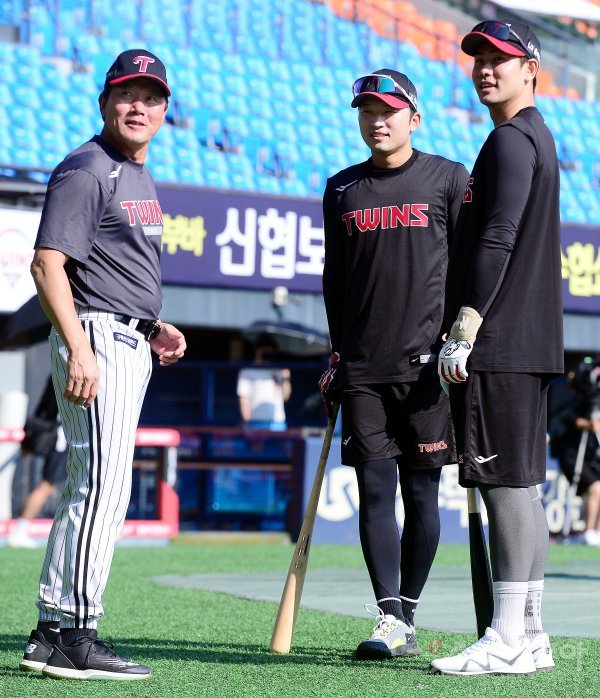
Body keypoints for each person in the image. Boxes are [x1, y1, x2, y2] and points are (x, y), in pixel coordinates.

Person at [19, 49, 186, 681]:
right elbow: (47, 265)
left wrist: (152, 325)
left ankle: (49, 635)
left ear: (165, 110)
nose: (138, 106)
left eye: (151, 97)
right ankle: (75, 633)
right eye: (126, 94)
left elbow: (113, 269)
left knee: (89, 486)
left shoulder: (136, 174)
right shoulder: (88, 168)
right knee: (102, 488)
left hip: (123, 335)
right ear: (104, 102)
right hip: (96, 337)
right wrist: (81, 346)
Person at [320, 69, 469, 659]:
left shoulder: (448, 178)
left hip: (428, 368)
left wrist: (461, 337)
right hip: (362, 367)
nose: (377, 121)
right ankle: (390, 617)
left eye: (388, 110)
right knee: (375, 491)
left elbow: (470, 266)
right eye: (367, 111)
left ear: (414, 118)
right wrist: (337, 351)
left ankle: (408, 608)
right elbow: (334, 278)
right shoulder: (341, 188)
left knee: (422, 495)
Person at [433, 21, 563, 676]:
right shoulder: (536, 135)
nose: (486, 69)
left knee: (504, 487)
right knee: (523, 488)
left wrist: (465, 325)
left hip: (501, 342)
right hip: (528, 342)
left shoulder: (511, 139)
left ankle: (507, 636)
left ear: (530, 68)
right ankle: (530, 633)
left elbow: (498, 236)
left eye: (501, 60)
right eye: (479, 59)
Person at [8, 376, 67, 549]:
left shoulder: (56, 373)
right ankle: (20, 530)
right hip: (61, 437)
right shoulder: (68, 373)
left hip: (58, 434)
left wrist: (27, 441)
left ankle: (20, 529)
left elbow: (41, 407)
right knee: (47, 485)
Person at [550, 356, 600, 546]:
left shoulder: (592, 398)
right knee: (595, 488)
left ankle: (596, 531)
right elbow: (563, 417)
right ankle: (589, 531)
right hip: (571, 454)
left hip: (590, 454)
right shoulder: (567, 395)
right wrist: (584, 424)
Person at [237, 334, 291, 430]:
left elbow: (285, 396)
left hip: (277, 423)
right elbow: (244, 399)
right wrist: (248, 425)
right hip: (256, 423)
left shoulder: (277, 370)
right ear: (257, 351)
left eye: (270, 353)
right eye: (264, 353)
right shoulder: (247, 371)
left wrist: (286, 379)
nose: (267, 356)